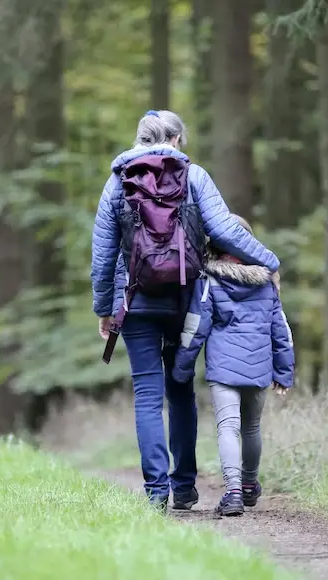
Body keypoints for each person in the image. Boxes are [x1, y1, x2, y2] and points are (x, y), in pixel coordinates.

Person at [91, 110, 280, 512]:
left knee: (146, 394)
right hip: (186, 298)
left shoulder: (116, 182)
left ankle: (156, 492)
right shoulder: (195, 176)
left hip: (136, 301)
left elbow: (103, 255)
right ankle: (185, 487)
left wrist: (104, 308)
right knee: (180, 390)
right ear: (176, 139)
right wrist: (270, 262)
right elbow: (227, 230)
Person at [172, 215, 294, 516]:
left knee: (228, 427)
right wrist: (284, 371)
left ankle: (234, 490)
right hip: (259, 366)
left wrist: (182, 367)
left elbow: (195, 327)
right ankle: (250, 484)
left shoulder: (209, 281)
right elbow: (281, 330)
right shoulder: (267, 282)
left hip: (224, 368)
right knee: (251, 427)